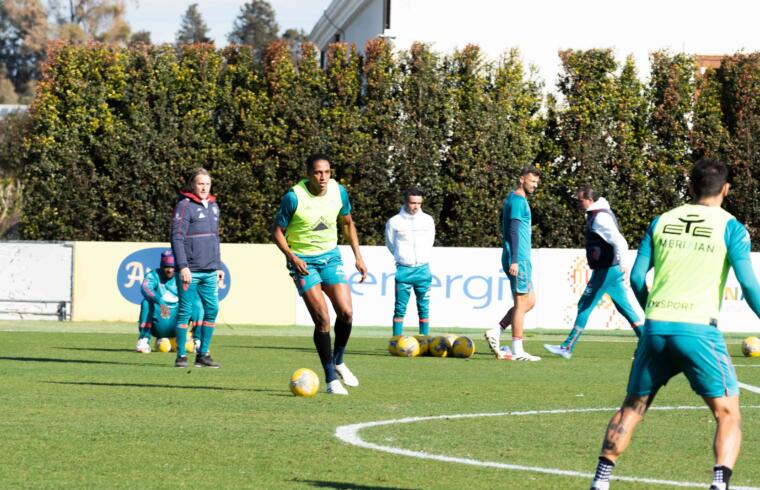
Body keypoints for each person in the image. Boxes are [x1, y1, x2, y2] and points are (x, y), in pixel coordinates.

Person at [589, 158, 760, 490]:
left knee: (633, 407)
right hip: (698, 330)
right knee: (727, 413)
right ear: (726, 190)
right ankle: (719, 483)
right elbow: (749, 285)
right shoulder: (731, 227)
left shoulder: (661, 221)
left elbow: (637, 278)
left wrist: (651, 308)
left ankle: (600, 481)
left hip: (655, 327)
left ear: (691, 187)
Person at [271, 154, 368, 395]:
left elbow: (347, 223)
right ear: (308, 174)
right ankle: (330, 380)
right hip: (304, 262)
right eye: (317, 172)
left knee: (346, 312)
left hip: (331, 257)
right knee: (322, 319)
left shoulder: (338, 191)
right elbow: (276, 232)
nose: (322, 177)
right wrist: (293, 257)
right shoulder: (294, 197)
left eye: (326, 172)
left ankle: (339, 360)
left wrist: (358, 256)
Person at [544, 187, 643, 359]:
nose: (579, 204)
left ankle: (567, 347)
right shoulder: (597, 213)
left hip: (607, 270)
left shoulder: (600, 217)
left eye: (580, 201)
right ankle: (648, 344)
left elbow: (619, 240)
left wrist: (624, 262)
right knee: (625, 308)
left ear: (589, 200)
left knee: (585, 304)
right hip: (610, 268)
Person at [484, 165, 542, 361]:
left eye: (536, 182)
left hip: (521, 257)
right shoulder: (517, 201)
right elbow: (514, 231)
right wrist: (516, 260)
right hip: (519, 258)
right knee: (520, 303)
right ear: (521, 179)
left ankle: (497, 330)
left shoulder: (513, 199)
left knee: (530, 301)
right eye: (531, 181)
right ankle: (518, 349)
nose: (534, 185)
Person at [171, 167, 224, 369]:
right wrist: (182, 266)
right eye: (200, 183)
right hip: (190, 270)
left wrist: (218, 265)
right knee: (185, 311)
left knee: (212, 309)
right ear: (193, 185)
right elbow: (177, 237)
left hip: (210, 270)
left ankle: (203, 354)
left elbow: (215, 238)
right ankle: (181, 355)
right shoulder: (184, 206)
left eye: (207, 184)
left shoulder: (213, 206)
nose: (204, 187)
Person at [385, 187, 436, 336]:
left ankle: (425, 340)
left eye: (419, 203)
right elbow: (390, 244)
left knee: (424, 307)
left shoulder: (428, 220)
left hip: (423, 269)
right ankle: (396, 340)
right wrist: (401, 257)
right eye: (413, 203)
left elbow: (430, 241)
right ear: (406, 201)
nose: (416, 206)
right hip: (404, 270)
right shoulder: (394, 222)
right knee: (399, 308)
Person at [134, 250, 203, 354]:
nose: (170, 270)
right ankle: (144, 339)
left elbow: (195, 294)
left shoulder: (183, 275)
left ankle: (197, 341)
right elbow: (145, 287)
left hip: (178, 322)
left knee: (197, 303)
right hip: (159, 322)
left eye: (172, 267)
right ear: (161, 266)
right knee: (146, 303)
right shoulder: (154, 275)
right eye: (167, 267)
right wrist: (160, 301)